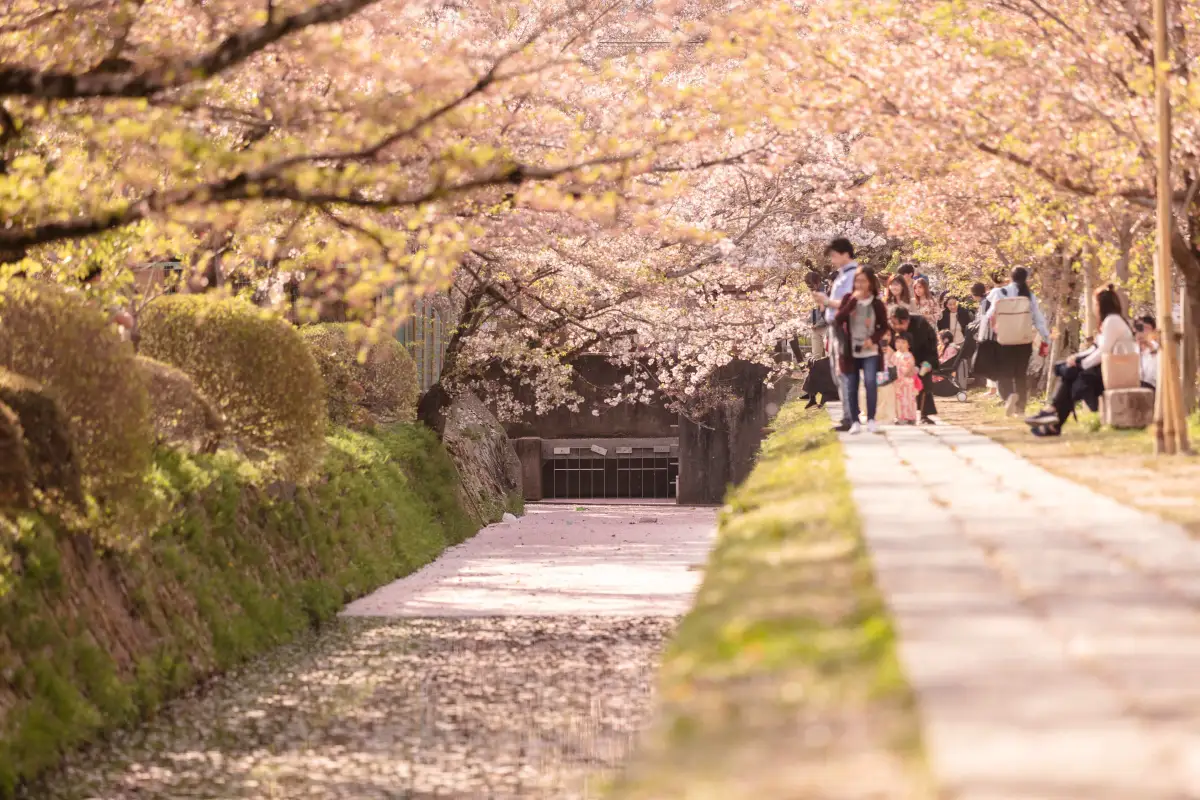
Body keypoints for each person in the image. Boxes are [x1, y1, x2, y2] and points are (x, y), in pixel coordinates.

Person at [1026, 285, 1135, 437]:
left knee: (1070, 374)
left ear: (1102, 305)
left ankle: (1051, 413)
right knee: (1066, 371)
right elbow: (1096, 348)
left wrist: (1081, 365)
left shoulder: (1113, 321)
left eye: (1095, 304)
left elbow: (1103, 352)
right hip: (1108, 369)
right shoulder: (1110, 321)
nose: (1094, 308)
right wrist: (1076, 358)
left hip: (1117, 372)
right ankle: (1052, 419)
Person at [981, 267, 1051, 417]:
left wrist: (982, 337)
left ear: (1010, 278)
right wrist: (1046, 337)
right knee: (1020, 374)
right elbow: (1038, 319)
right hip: (1023, 340)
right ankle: (1020, 409)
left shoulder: (1000, 292)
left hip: (1004, 340)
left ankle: (1008, 397)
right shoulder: (1029, 295)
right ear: (1026, 279)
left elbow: (988, 316)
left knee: (1004, 373)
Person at [831, 266, 890, 434]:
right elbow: (838, 319)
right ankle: (855, 421)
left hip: (870, 349)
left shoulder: (876, 302)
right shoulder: (849, 299)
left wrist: (873, 340)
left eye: (863, 281)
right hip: (851, 350)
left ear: (871, 282)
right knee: (852, 384)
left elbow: (884, 325)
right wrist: (852, 302)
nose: (860, 284)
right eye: (857, 281)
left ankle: (871, 418)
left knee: (870, 382)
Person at [812, 238, 862, 431]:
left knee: (845, 372)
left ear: (845, 254)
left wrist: (827, 301)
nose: (832, 260)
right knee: (838, 372)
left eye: (834, 255)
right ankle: (848, 415)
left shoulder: (854, 276)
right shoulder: (842, 276)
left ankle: (851, 416)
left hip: (846, 327)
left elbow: (852, 303)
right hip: (835, 326)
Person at [889, 306, 940, 423]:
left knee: (924, 380)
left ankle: (924, 414)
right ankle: (897, 414)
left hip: (922, 360)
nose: (897, 327)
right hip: (899, 362)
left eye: (900, 324)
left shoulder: (921, 324)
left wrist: (919, 368)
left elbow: (931, 349)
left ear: (907, 320)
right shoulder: (891, 328)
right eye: (894, 324)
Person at [892, 333, 919, 424]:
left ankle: (910, 417)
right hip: (897, 382)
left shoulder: (908, 355)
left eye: (903, 342)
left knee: (908, 400)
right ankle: (900, 417)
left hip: (907, 382)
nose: (900, 344)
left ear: (909, 344)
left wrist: (906, 372)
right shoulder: (895, 355)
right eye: (898, 342)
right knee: (898, 401)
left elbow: (910, 367)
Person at [1136, 315, 1159, 390]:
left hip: (1153, 388)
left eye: (1146, 328)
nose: (1142, 331)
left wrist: (1149, 345)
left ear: (1154, 331)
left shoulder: (1157, 347)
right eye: (1139, 328)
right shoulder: (1133, 349)